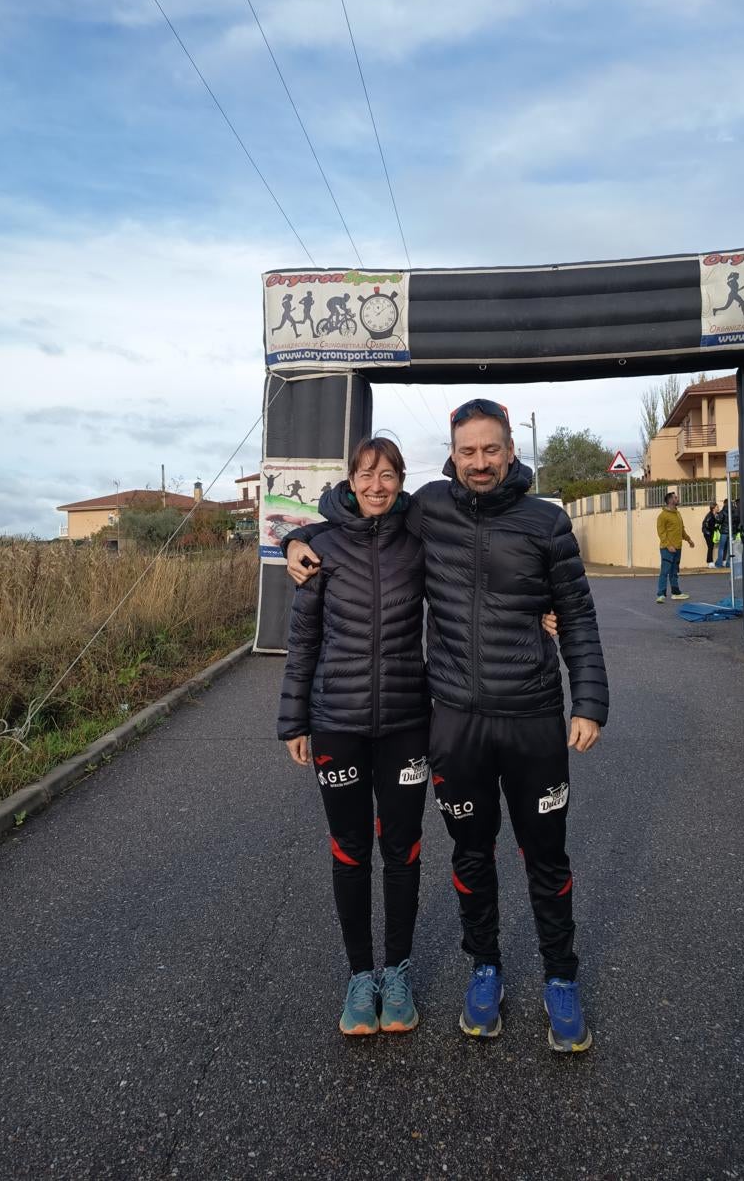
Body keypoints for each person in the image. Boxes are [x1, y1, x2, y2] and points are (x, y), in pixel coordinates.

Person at [286, 398, 608, 1054]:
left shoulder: (546, 522)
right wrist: (297, 537)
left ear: (510, 449)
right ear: (452, 455)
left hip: (533, 718)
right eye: (468, 451)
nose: (480, 462)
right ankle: (483, 968)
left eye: (491, 450)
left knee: (544, 854)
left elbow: (575, 613)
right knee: (470, 851)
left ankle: (561, 978)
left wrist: (588, 701)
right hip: (455, 720)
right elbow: (353, 507)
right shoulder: (429, 506)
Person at [278, 438, 428, 1037]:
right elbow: (304, 640)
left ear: (400, 480)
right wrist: (294, 720)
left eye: (388, 475)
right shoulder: (319, 547)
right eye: (367, 475)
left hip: (406, 722)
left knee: (403, 849)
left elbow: (477, 584)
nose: (377, 485)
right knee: (349, 848)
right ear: (350, 480)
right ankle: (359, 974)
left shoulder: (418, 540)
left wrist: (542, 612)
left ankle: (398, 971)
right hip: (336, 723)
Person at [656, 491, 694, 601]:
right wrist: (668, 546)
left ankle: (676, 592)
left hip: (678, 547)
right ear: (670, 501)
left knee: (674, 571)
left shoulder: (678, 514)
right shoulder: (662, 516)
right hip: (667, 549)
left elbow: (682, 530)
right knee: (665, 571)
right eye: (675, 497)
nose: (677, 499)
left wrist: (689, 540)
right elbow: (661, 533)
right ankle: (661, 594)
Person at [701, 501, 719, 565]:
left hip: (710, 532)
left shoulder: (715, 514)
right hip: (707, 533)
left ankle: (710, 561)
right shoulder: (710, 516)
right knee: (710, 546)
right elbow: (706, 525)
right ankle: (710, 562)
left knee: (711, 546)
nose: (718, 508)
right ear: (713, 508)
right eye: (717, 507)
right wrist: (714, 528)